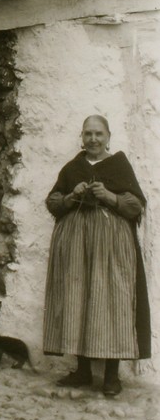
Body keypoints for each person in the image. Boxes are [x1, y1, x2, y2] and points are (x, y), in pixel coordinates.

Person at [43, 115, 150, 397]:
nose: (93, 139)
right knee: (77, 299)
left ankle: (112, 376)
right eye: (88, 134)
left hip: (111, 246)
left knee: (111, 301)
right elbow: (53, 202)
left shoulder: (119, 165)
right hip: (76, 246)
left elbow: (136, 206)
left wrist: (109, 196)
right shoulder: (72, 168)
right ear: (81, 137)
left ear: (108, 137)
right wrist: (71, 196)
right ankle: (83, 371)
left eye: (98, 134)